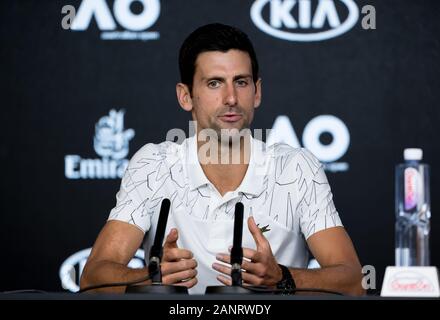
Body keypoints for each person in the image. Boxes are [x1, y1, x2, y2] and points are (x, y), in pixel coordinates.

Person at [80, 23, 365, 295]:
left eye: (241, 82)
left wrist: (282, 278)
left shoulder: (297, 167)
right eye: (214, 83)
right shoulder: (154, 165)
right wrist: (150, 277)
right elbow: (93, 277)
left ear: (257, 92)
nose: (231, 97)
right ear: (185, 96)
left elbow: (352, 281)